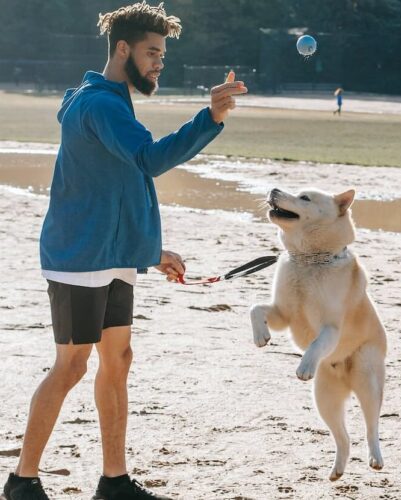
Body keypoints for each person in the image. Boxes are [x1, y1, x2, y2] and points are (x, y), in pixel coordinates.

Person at [2, 2, 247, 499]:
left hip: (111, 255)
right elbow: (149, 160)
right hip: (78, 258)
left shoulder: (106, 98)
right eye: (152, 52)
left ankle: (113, 482)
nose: (159, 62)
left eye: (162, 54)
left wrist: (151, 249)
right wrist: (211, 117)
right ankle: (21, 481)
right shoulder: (100, 105)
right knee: (71, 365)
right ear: (123, 48)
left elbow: (117, 184)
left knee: (119, 358)